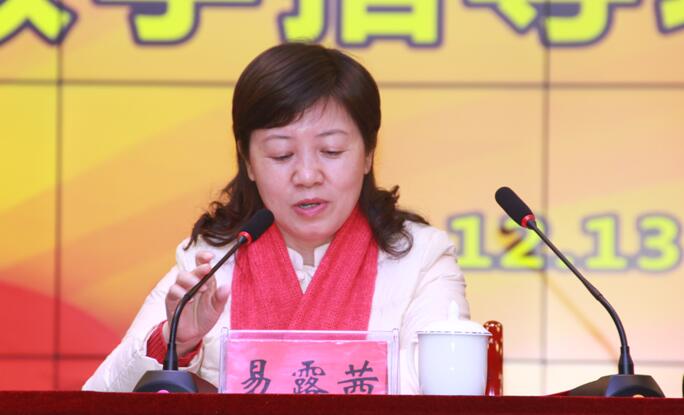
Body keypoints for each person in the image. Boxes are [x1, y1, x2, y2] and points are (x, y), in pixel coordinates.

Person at [83, 43, 469, 394]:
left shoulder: (421, 257)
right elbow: (99, 396)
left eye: (331, 151)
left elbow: (444, 395)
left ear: (368, 153)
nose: (307, 175)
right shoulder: (209, 261)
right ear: (248, 161)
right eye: (282, 155)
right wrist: (176, 341)